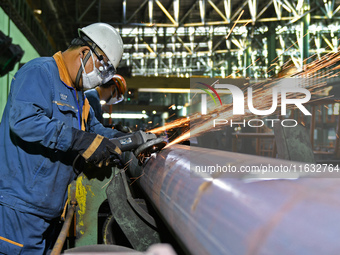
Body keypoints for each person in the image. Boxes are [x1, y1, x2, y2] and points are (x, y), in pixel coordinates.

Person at [0, 23, 126, 254]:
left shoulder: (78, 96)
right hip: (20, 208)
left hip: (50, 210)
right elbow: (24, 122)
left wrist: (127, 139)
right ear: (85, 53)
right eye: (103, 69)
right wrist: (78, 140)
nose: (101, 80)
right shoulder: (40, 72)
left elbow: (94, 130)